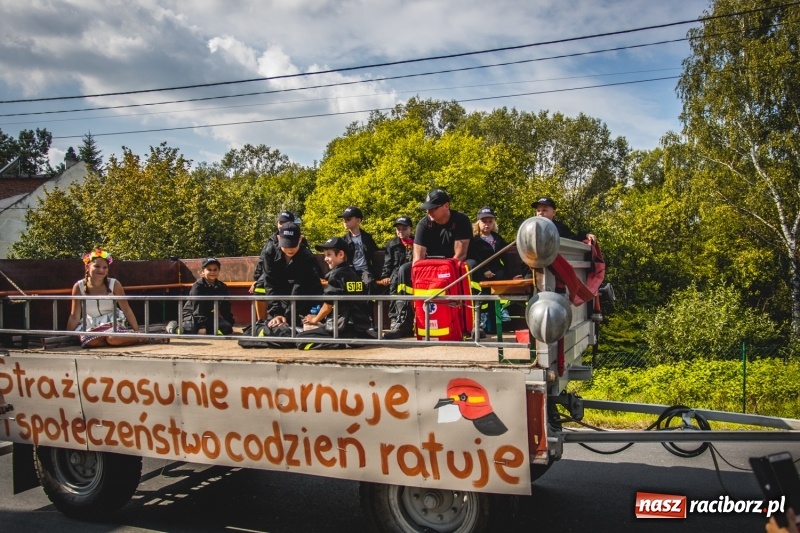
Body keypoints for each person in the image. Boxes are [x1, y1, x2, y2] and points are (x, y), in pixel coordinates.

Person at [385, 189, 472, 338]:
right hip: (430, 266)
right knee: (404, 270)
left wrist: (443, 272)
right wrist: (423, 275)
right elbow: (417, 259)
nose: (429, 212)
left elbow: (460, 255)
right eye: (427, 208)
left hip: (454, 264)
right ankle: (403, 321)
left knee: (469, 267)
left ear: (446, 206)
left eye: (433, 208)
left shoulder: (461, 220)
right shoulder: (423, 224)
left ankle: (471, 323)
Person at [296, 237, 376, 349]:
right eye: (325, 255)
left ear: (341, 254)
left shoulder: (336, 275)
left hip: (343, 328)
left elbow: (328, 305)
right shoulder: (355, 274)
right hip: (359, 327)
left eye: (329, 255)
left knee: (300, 340)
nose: (325, 259)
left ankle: (345, 343)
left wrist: (314, 320)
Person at [66, 249, 152, 348]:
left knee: (113, 338)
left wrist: (136, 330)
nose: (101, 270)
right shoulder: (78, 286)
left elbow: (126, 309)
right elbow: (74, 316)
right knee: (89, 341)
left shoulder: (114, 284)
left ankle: (140, 338)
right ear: (87, 267)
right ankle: (114, 341)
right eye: (97, 266)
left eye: (105, 267)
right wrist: (67, 336)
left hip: (112, 321)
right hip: (91, 324)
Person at [256, 222, 324, 338]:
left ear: (300, 239)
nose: (290, 250)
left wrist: (287, 317)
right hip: (282, 294)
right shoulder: (270, 253)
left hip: (307, 296)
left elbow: (299, 288)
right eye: (286, 245)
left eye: (293, 245)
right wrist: (277, 314)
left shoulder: (306, 256)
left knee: (302, 326)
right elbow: (270, 284)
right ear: (278, 238)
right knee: (275, 325)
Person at [466, 207, 511, 330]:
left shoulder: (498, 238)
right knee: (484, 293)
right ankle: (482, 318)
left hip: (497, 272)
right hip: (482, 272)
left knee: (503, 277)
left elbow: (505, 255)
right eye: (484, 221)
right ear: (478, 223)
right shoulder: (474, 241)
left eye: (490, 222)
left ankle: (502, 312)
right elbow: (474, 257)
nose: (487, 224)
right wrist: (485, 270)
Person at [250, 210, 297, 320]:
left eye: (285, 223)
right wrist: (257, 278)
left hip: (289, 272)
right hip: (271, 271)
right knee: (259, 287)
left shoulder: (296, 238)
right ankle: (261, 320)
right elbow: (262, 259)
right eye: (280, 222)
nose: (282, 225)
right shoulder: (271, 239)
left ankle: (288, 317)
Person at [170, 257, 235, 335]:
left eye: (215, 269)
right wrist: (202, 326)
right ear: (203, 271)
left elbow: (225, 306)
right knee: (189, 331)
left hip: (209, 316)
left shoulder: (222, 286)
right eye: (209, 269)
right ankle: (173, 326)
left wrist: (230, 323)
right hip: (192, 314)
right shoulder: (198, 285)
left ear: (219, 271)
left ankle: (205, 329)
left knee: (227, 329)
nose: (212, 272)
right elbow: (197, 308)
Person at [376, 216, 414, 332]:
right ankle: (395, 318)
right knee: (394, 291)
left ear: (410, 229)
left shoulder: (418, 241)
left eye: (404, 229)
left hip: (414, 274)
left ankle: (414, 319)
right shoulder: (392, 244)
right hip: (397, 274)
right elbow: (388, 263)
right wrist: (385, 276)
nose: (401, 231)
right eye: (398, 229)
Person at [339, 206, 379, 292]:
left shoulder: (367, 238)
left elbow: (376, 252)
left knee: (370, 282)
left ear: (358, 221)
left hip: (364, 271)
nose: (345, 222)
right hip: (349, 271)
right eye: (344, 220)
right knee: (348, 284)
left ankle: (369, 305)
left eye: (348, 219)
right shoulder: (343, 240)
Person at [532, 196, 597, 243]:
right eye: (538, 210)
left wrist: (586, 235)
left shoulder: (560, 228)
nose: (540, 213)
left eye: (544, 210)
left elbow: (574, 239)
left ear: (554, 212)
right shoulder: (530, 227)